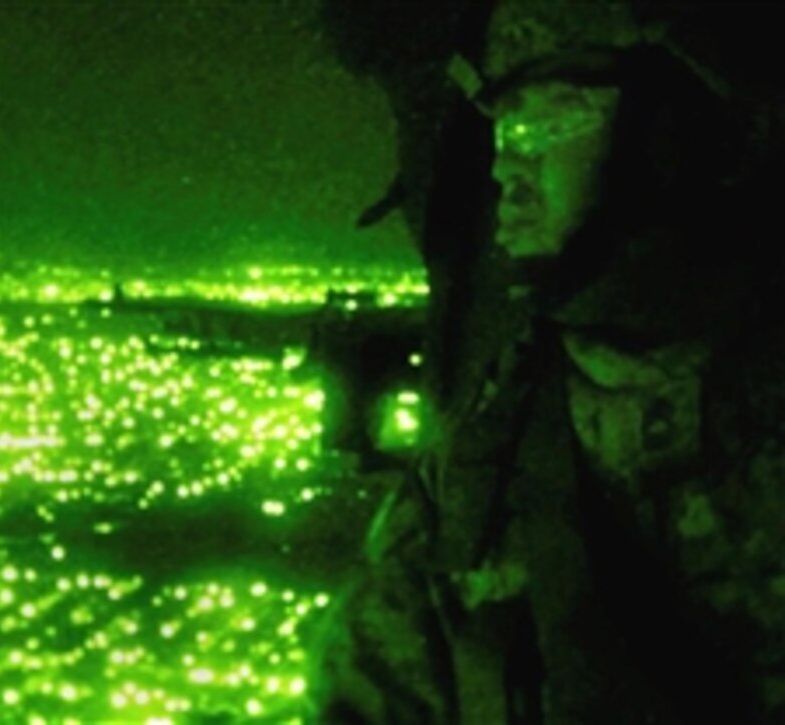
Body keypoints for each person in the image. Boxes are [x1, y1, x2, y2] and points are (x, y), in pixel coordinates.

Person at [311, 1, 785, 722]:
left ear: (673, 134)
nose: (508, 166)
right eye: (502, 124)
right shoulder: (485, 461)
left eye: (547, 119)